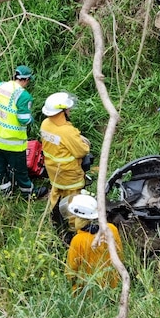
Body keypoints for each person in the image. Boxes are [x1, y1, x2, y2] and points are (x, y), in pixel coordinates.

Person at [0, 65, 47, 200]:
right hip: (12, 142)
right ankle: (29, 194)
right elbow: (24, 120)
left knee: (0, 168)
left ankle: (6, 192)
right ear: (26, 80)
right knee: (21, 171)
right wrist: (32, 118)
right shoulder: (23, 95)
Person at [39, 92, 91, 235]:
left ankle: (55, 219)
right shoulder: (67, 131)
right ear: (61, 112)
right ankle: (74, 229)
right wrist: (84, 142)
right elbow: (81, 151)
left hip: (53, 172)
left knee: (56, 195)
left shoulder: (45, 124)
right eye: (67, 109)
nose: (69, 111)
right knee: (73, 201)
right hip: (69, 175)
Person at [66, 194, 123, 290]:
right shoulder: (111, 228)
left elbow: (71, 272)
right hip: (113, 287)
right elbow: (120, 255)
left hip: (89, 292)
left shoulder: (78, 240)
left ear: (78, 217)